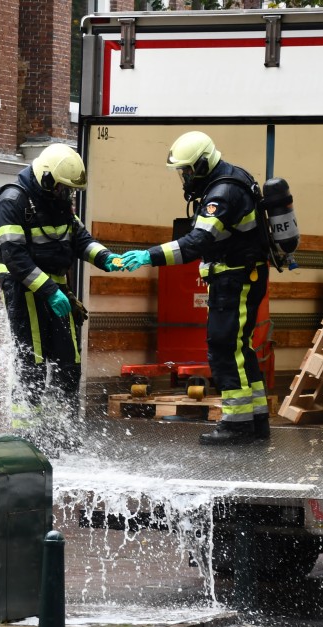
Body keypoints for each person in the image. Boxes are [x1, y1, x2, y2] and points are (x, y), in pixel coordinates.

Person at [120, 131, 270, 446]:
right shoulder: (231, 178)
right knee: (240, 348)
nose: (184, 177)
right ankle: (255, 421)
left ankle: (237, 425)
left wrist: (150, 255)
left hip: (236, 278)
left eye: (187, 170)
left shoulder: (223, 193)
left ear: (203, 164)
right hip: (237, 276)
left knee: (225, 348)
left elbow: (198, 242)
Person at [0, 143, 119, 440]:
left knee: (68, 360)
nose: (68, 195)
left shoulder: (59, 205)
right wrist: (50, 291)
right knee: (32, 361)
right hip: (24, 289)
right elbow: (14, 257)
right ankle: (29, 435)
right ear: (47, 180)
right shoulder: (12, 202)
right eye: (64, 189)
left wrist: (106, 258)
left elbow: (81, 239)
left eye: (70, 191)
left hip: (55, 289)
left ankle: (62, 429)